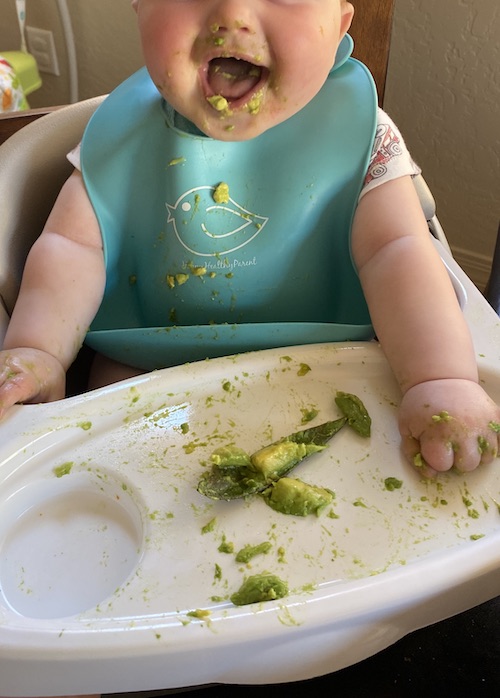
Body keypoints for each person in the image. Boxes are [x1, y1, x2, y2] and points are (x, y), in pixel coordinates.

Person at [1, 0, 499, 486]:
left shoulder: (359, 138)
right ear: (139, 7)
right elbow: (73, 248)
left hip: (336, 365)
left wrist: (439, 379)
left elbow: (398, 252)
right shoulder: (119, 139)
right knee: (95, 481)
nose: (233, 15)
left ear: (339, 22)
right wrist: (39, 350)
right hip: (147, 366)